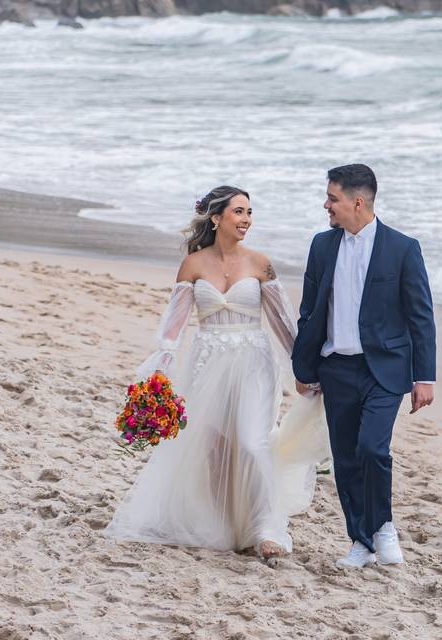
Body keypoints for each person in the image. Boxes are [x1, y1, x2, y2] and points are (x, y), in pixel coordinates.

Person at [105, 186, 328, 559]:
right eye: (239, 212)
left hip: (253, 363)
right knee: (215, 446)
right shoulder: (193, 264)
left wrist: (304, 368)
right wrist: (161, 363)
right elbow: (173, 323)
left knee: (252, 442)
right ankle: (224, 523)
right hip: (208, 362)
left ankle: (264, 528)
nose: (246, 220)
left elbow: (283, 323)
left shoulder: (260, 263)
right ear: (216, 217)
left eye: (249, 212)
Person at [292, 164, 436, 568]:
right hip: (335, 367)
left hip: (385, 368)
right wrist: (305, 369)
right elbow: (310, 312)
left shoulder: (402, 248)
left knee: (373, 449)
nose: (326, 205)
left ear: (357, 201)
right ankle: (361, 539)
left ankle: (384, 526)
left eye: (332, 198)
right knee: (346, 459)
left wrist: (424, 377)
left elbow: (420, 315)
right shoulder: (322, 246)